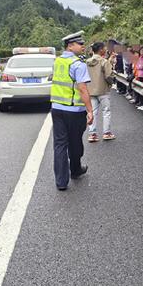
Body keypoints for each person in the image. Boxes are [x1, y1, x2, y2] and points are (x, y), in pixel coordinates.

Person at [50, 31, 94, 191]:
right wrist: (90, 110)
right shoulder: (78, 64)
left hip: (57, 108)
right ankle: (75, 170)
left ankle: (61, 182)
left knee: (60, 144)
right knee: (75, 142)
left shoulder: (58, 61)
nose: (83, 46)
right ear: (70, 46)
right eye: (80, 44)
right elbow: (83, 89)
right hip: (74, 110)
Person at [86, 42, 115, 142]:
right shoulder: (104, 61)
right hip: (103, 90)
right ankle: (106, 133)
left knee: (92, 112)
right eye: (104, 48)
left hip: (91, 90)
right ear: (101, 50)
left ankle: (92, 134)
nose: (105, 50)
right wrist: (110, 83)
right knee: (106, 111)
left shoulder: (87, 62)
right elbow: (108, 76)